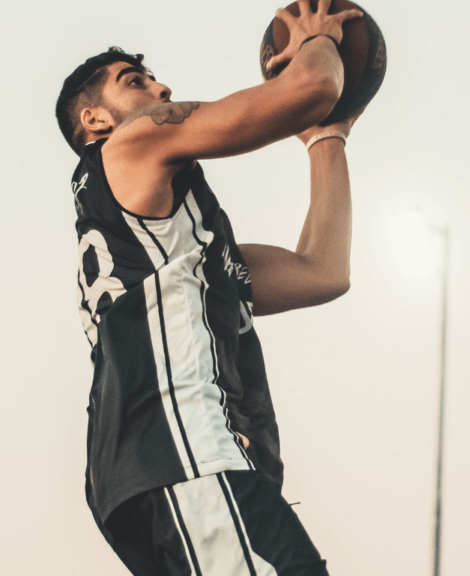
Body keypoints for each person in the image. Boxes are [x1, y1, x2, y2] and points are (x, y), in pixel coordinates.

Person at [54, 2, 364, 574]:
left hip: (156, 470)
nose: (160, 84)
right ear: (96, 120)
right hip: (183, 454)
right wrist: (315, 40)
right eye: (134, 80)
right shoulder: (129, 143)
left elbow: (323, 270)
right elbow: (314, 85)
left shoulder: (174, 252)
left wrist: (327, 138)